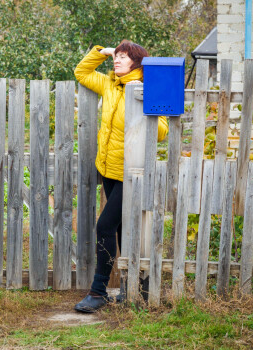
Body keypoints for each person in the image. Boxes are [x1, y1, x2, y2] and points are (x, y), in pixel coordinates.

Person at [73, 40, 168, 313]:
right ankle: (134, 290)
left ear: (136, 63)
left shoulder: (144, 90)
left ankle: (98, 291)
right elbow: (82, 72)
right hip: (108, 170)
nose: (117, 61)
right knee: (120, 228)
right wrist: (101, 52)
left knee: (104, 227)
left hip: (131, 174)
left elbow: (161, 131)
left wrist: (143, 108)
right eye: (117, 56)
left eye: (123, 57)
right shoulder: (109, 84)